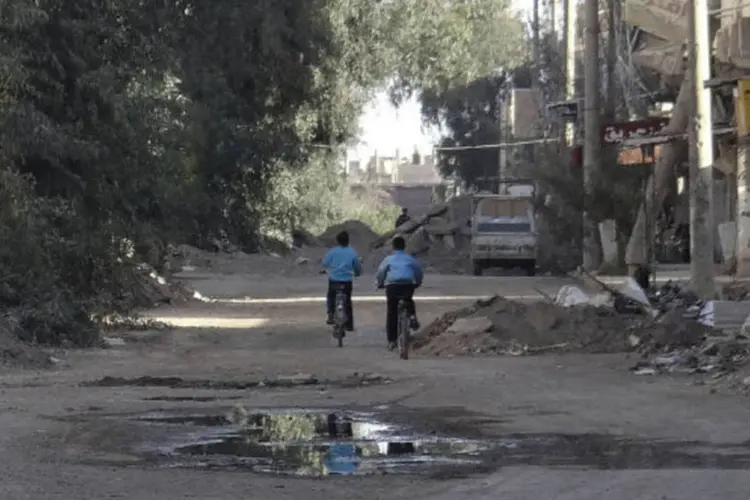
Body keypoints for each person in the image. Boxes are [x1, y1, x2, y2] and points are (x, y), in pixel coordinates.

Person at [375, 236, 423, 350]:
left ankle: (392, 341)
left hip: (393, 287)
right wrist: (418, 282)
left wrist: (380, 283)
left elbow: (381, 272)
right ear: (404, 246)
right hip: (407, 285)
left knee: (392, 312)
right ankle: (412, 317)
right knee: (408, 300)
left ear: (393, 247)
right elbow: (418, 272)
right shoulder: (410, 259)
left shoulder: (389, 259)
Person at [321, 230, 362, 332]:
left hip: (334, 280)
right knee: (347, 301)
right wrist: (357, 273)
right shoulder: (352, 252)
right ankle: (349, 325)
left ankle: (330, 314)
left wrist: (325, 268)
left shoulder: (333, 251)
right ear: (348, 241)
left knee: (331, 296)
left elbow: (325, 263)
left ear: (337, 241)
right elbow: (357, 266)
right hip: (347, 281)